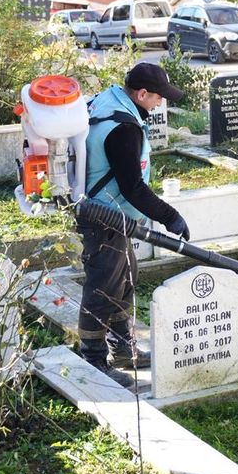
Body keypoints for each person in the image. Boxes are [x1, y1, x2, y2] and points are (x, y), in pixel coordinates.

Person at [78, 63, 191, 387]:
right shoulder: (124, 128)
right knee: (103, 286)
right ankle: (94, 358)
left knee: (125, 278)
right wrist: (171, 217)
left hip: (114, 216)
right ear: (142, 94)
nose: (159, 104)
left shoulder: (108, 101)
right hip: (103, 217)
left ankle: (124, 350)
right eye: (157, 98)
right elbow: (133, 187)